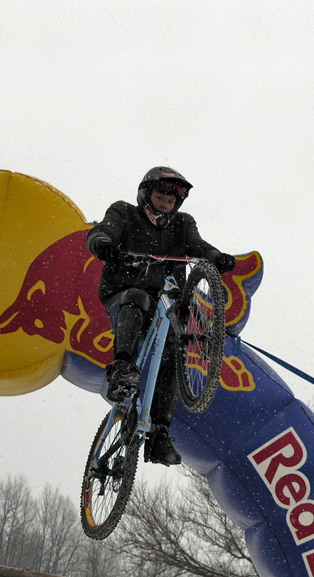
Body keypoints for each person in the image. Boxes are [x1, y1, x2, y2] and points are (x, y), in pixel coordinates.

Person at [86, 166, 236, 467]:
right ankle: (122, 369)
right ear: (146, 195)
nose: (165, 204)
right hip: (124, 296)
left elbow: (198, 245)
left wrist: (215, 257)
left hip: (164, 305)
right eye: (160, 198)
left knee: (174, 348)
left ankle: (159, 434)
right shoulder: (124, 213)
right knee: (137, 297)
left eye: (170, 201)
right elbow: (102, 232)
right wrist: (103, 244)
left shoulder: (182, 224)